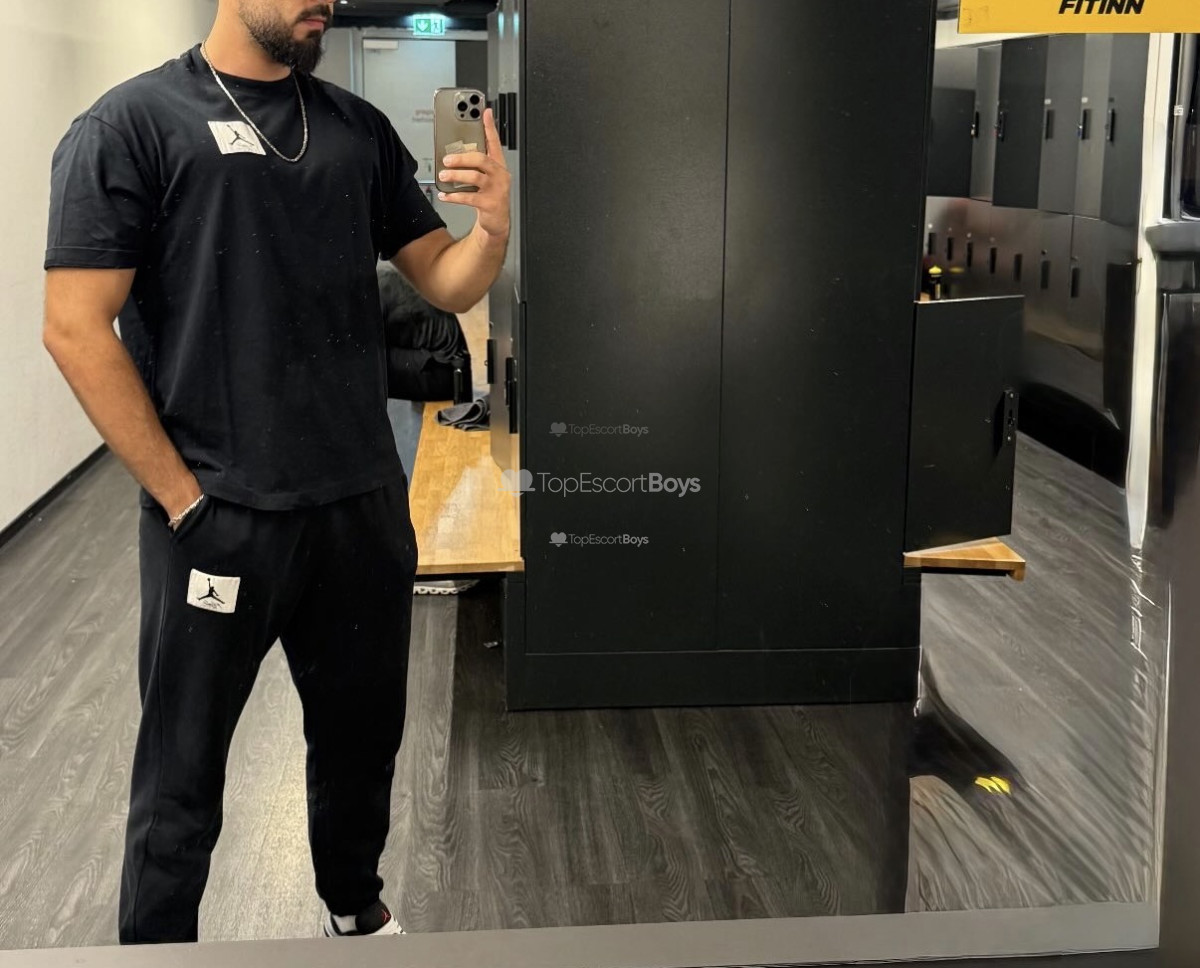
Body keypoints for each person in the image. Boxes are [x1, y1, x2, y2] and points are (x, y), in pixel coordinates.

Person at [41, 0, 509, 945]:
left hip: (359, 505)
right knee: (181, 772)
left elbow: (444, 279)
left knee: (361, 742)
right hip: (218, 514)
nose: (323, 0)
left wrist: (492, 230)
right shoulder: (131, 125)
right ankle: (157, 950)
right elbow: (74, 327)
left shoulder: (355, 130)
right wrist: (182, 500)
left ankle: (354, 908)